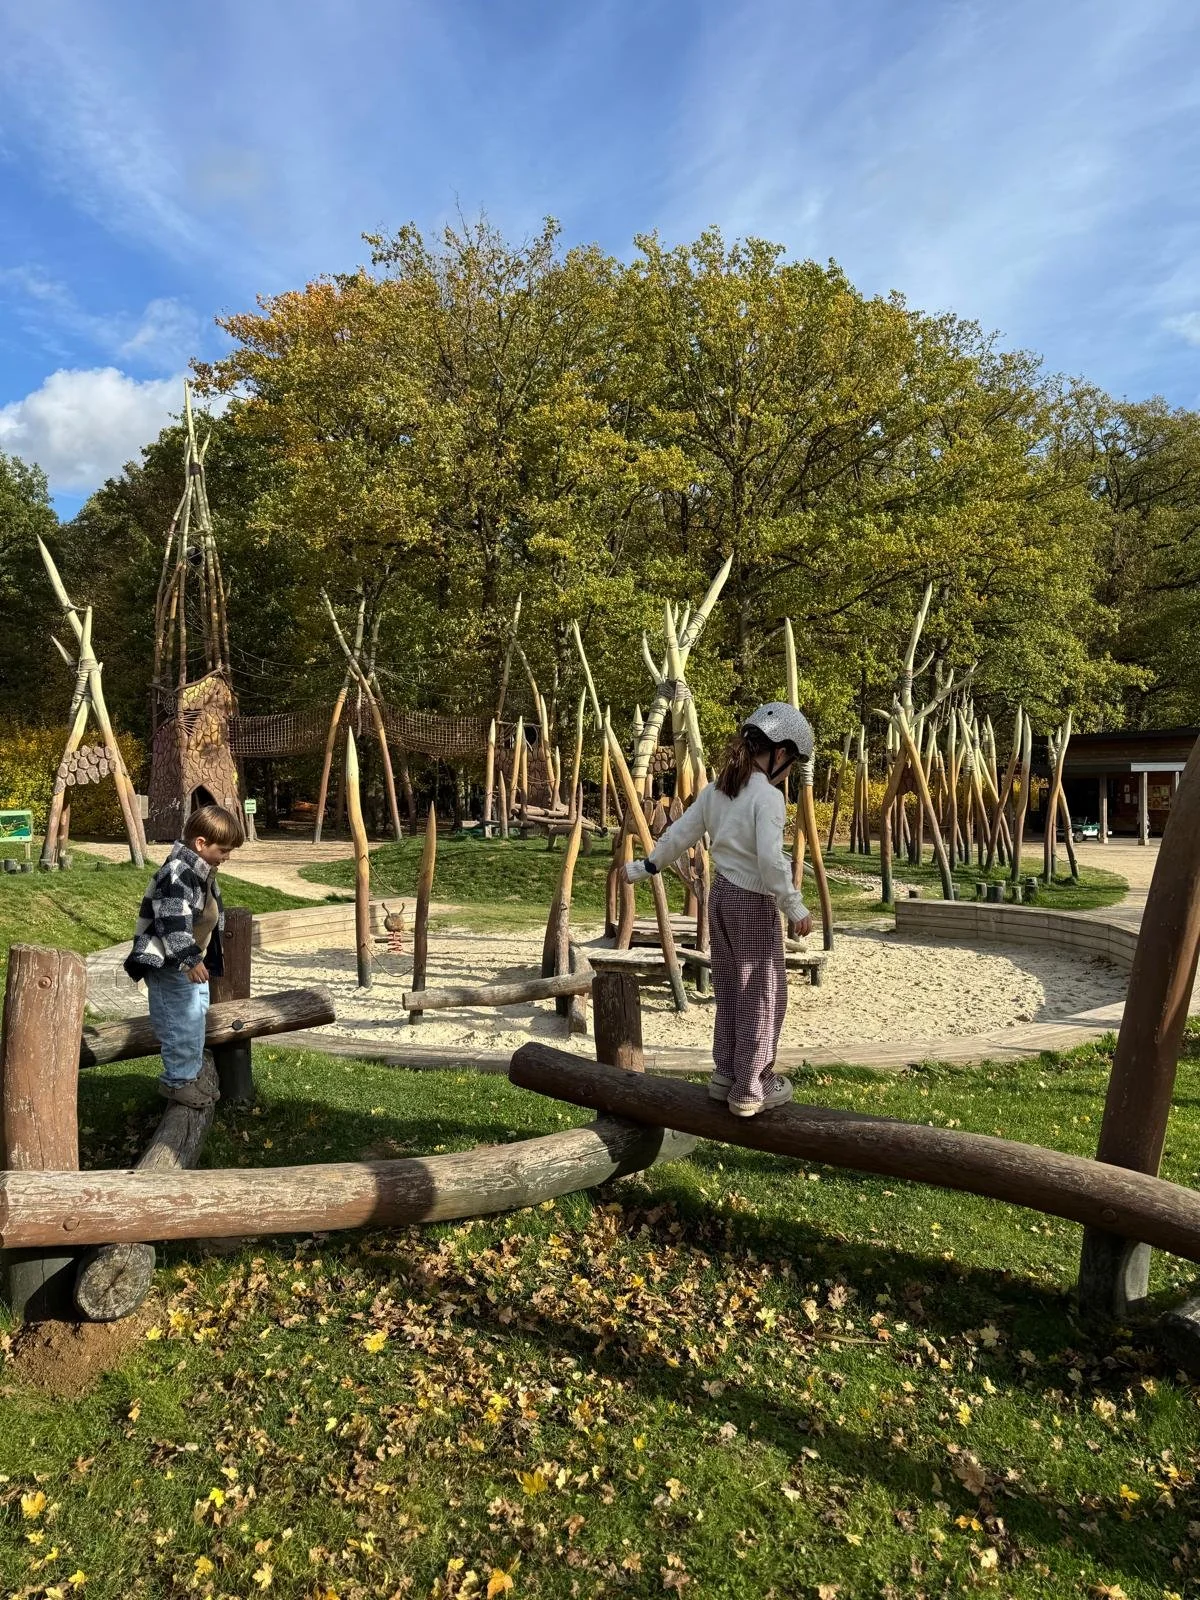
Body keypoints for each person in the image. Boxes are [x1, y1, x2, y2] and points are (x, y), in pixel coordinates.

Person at [624, 703, 814, 1117]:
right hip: (753, 901)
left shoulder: (716, 790)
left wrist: (648, 865)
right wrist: (795, 906)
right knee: (763, 993)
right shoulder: (767, 797)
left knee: (730, 987)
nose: (791, 771)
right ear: (780, 753)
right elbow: (769, 860)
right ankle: (751, 1086)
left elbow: (681, 833)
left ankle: (726, 1072)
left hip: (722, 897)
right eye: (793, 762)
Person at [124, 803, 244, 1108]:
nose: (227, 857)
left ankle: (190, 1074)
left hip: (189, 961)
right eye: (224, 850)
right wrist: (189, 959)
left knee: (195, 1018)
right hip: (171, 965)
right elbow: (172, 922)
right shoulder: (178, 872)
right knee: (179, 1024)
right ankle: (177, 1082)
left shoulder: (201, 870)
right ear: (201, 844)